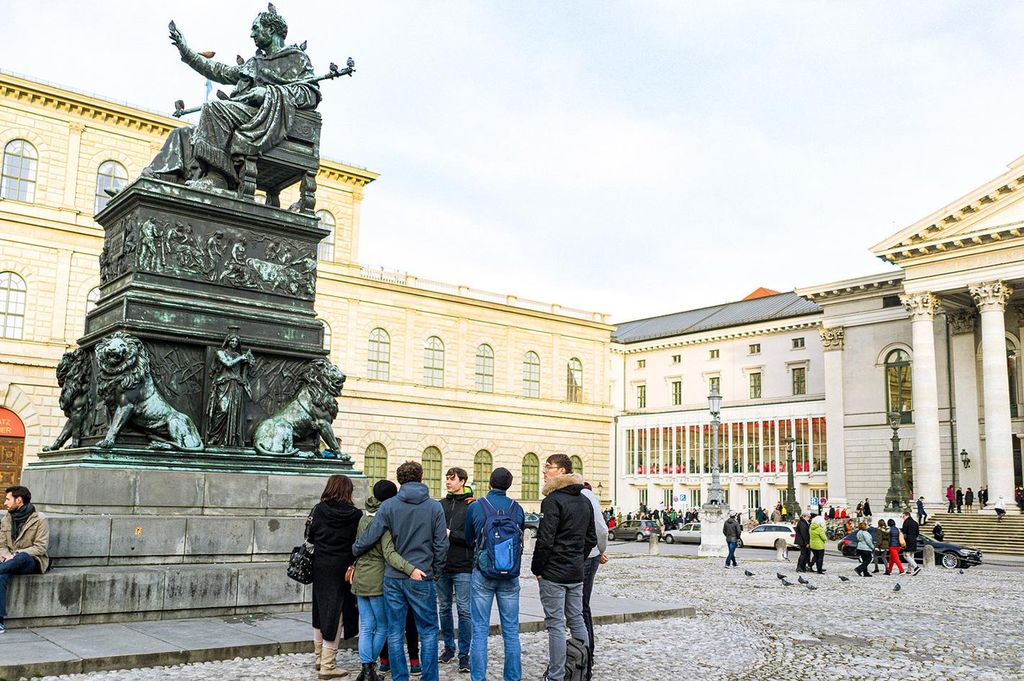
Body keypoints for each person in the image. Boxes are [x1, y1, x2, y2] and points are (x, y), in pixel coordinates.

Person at [144, 6, 321, 192]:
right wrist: (186, 51)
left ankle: (218, 176)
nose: (252, 34)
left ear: (270, 29)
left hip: (266, 117)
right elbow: (220, 71)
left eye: (256, 28)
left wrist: (267, 94)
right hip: (243, 117)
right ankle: (161, 179)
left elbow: (310, 94)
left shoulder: (296, 58)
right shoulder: (254, 63)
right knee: (182, 134)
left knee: (213, 109)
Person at [353, 462, 448, 681]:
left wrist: (356, 548)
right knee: (429, 630)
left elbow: (372, 534)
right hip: (422, 575)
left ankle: (400, 677)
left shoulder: (388, 506)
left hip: (393, 577)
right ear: (421, 477)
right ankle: (429, 678)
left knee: (395, 631)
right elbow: (442, 544)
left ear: (400, 480)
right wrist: (436, 571)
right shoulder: (434, 507)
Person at [531, 454, 597, 681]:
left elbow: (545, 539)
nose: (544, 471)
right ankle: (583, 670)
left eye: (549, 467)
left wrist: (537, 568)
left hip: (553, 572)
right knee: (577, 619)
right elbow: (592, 538)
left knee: (556, 625)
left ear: (562, 471)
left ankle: (557, 675)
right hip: (575, 571)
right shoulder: (584, 500)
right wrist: (578, 558)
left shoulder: (552, 500)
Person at [352, 481, 422, 681]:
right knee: (383, 626)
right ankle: (369, 669)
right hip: (377, 577)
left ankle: (367, 668)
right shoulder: (385, 518)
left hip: (360, 576)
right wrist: (410, 569)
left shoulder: (364, 516)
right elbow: (389, 553)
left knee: (366, 626)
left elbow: (357, 546)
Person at [465, 467, 525, 681]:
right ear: (508, 486)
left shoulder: (477, 507)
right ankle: (513, 678)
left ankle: (478, 678)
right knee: (511, 630)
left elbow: (469, 538)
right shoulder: (517, 508)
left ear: (489, 484)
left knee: (479, 629)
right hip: (510, 574)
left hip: (483, 573)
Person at [309, 475, 362, 678]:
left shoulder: (319, 510)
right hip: (343, 568)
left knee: (320, 610)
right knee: (337, 614)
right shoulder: (355, 515)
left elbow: (310, 536)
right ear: (348, 491)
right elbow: (357, 543)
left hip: (321, 565)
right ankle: (328, 666)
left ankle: (318, 657)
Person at [437, 467, 474, 672]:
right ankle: (449, 647)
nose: (448, 482)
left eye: (452, 479)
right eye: (447, 478)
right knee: (443, 608)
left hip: (463, 566)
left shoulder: (472, 506)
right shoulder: (441, 504)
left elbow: (473, 539)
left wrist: (451, 534)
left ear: (462, 481)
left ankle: (464, 654)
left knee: (464, 610)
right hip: (442, 565)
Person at [0, 486, 49, 635]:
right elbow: (1, 544)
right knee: (1, 577)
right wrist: (6, 555)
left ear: (19, 500)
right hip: (8, 560)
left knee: (21, 557)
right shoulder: (7, 518)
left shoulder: (40, 519)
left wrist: (15, 555)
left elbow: (40, 547)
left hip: (31, 560)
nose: (5, 503)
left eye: (8, 499)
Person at [580, 481, 608, 681]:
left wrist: (599, 550)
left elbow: (602, 530)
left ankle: (586, 655)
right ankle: (582, 651)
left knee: (581, 607)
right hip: (588, 555)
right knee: (579, 607)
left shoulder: (586, 495)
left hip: (587, 557)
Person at [900, 511, 921, 575]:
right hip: (914, 540)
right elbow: (917, 533)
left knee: (906, 555)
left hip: (908, 541)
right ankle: (910, 570)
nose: (903, 518)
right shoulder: (915, 523)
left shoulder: (906, 522)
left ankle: (916, 567)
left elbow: (904, 533)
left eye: (903, 516)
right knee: (911, 556)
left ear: (907, 515)